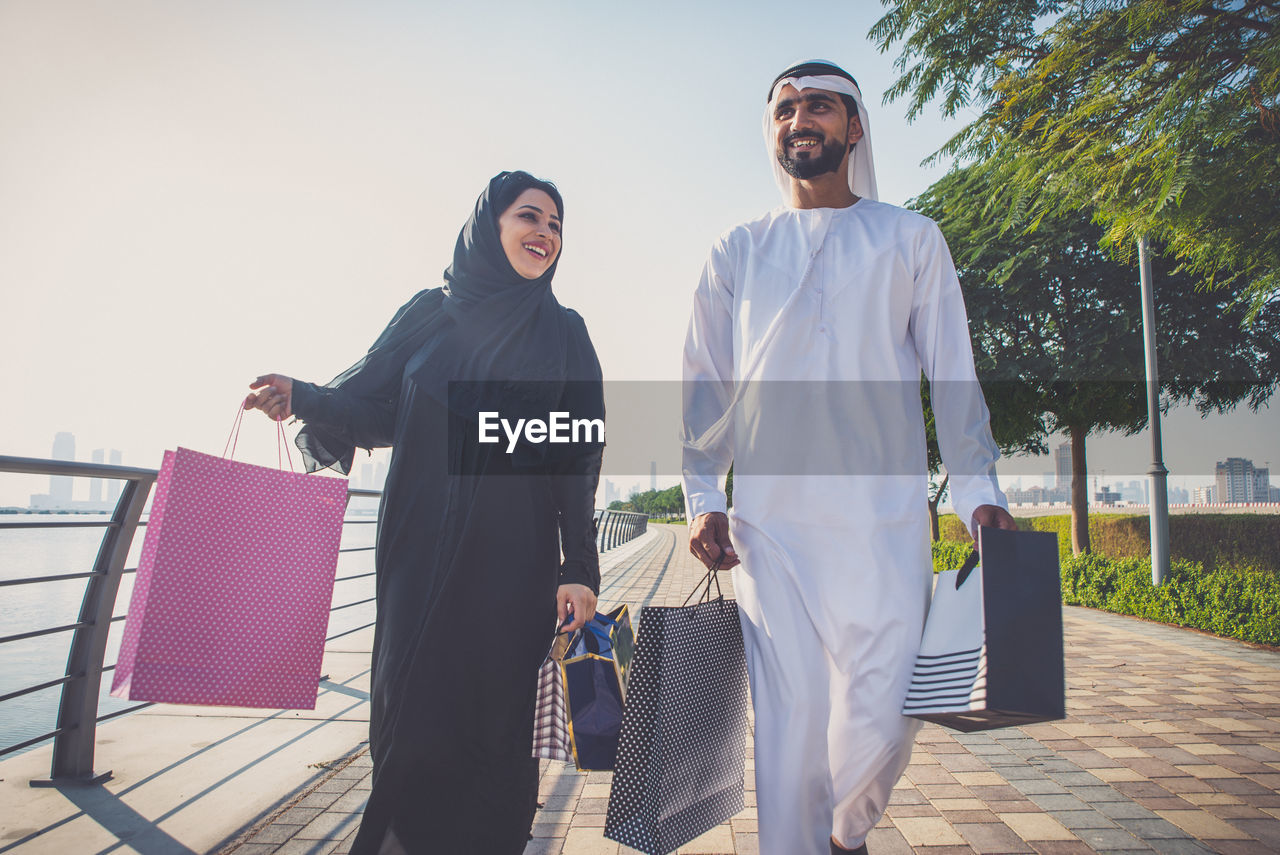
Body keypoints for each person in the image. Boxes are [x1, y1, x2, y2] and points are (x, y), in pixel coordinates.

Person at [681, 60, 1017, 855]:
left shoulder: (910, 237)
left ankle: (843, 834)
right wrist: (703, 496)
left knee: (888, 714)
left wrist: (977, 492)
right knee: (790, 732)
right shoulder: (738, 248)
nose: (800, 119)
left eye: (820, 106)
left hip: (884, 522)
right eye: (785, 109)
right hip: (772, 528)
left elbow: (954, 373)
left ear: (854, 128)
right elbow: (704, 389)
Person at [243, 171, 604, 855]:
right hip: (420, 563)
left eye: (557, 225)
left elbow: (576, 460)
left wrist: (578, 567)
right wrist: (306, 398)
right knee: (411, 732)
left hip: (514, 570)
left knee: (498, 739)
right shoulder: (429, 315)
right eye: (530, 216)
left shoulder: (563, 334)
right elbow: (378, 410)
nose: (545, 234)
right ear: (488, 228)